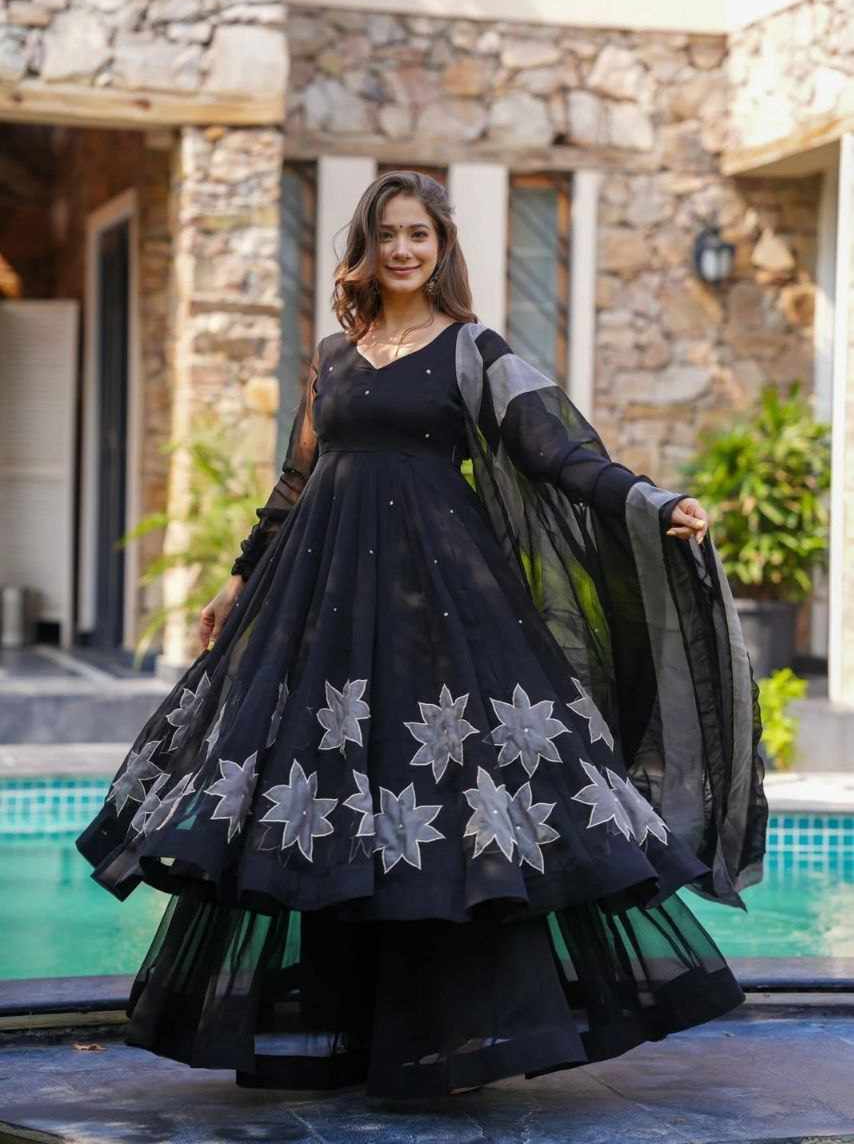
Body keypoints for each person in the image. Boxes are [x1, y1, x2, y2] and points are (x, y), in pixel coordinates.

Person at [76, 170, 766, 1101]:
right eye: (388, 235)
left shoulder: (474, 350)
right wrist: (238, 580)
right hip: (323, 606)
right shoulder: (336, 355)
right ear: (364, 248)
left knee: (437, 793)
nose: (402, 250)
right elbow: (295, 482)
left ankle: (446, 1034)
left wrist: (648, 499)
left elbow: (557, 452)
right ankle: (348, 1026)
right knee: (328, 792)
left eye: (419, 235)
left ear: (442, 247)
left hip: (441, 608)